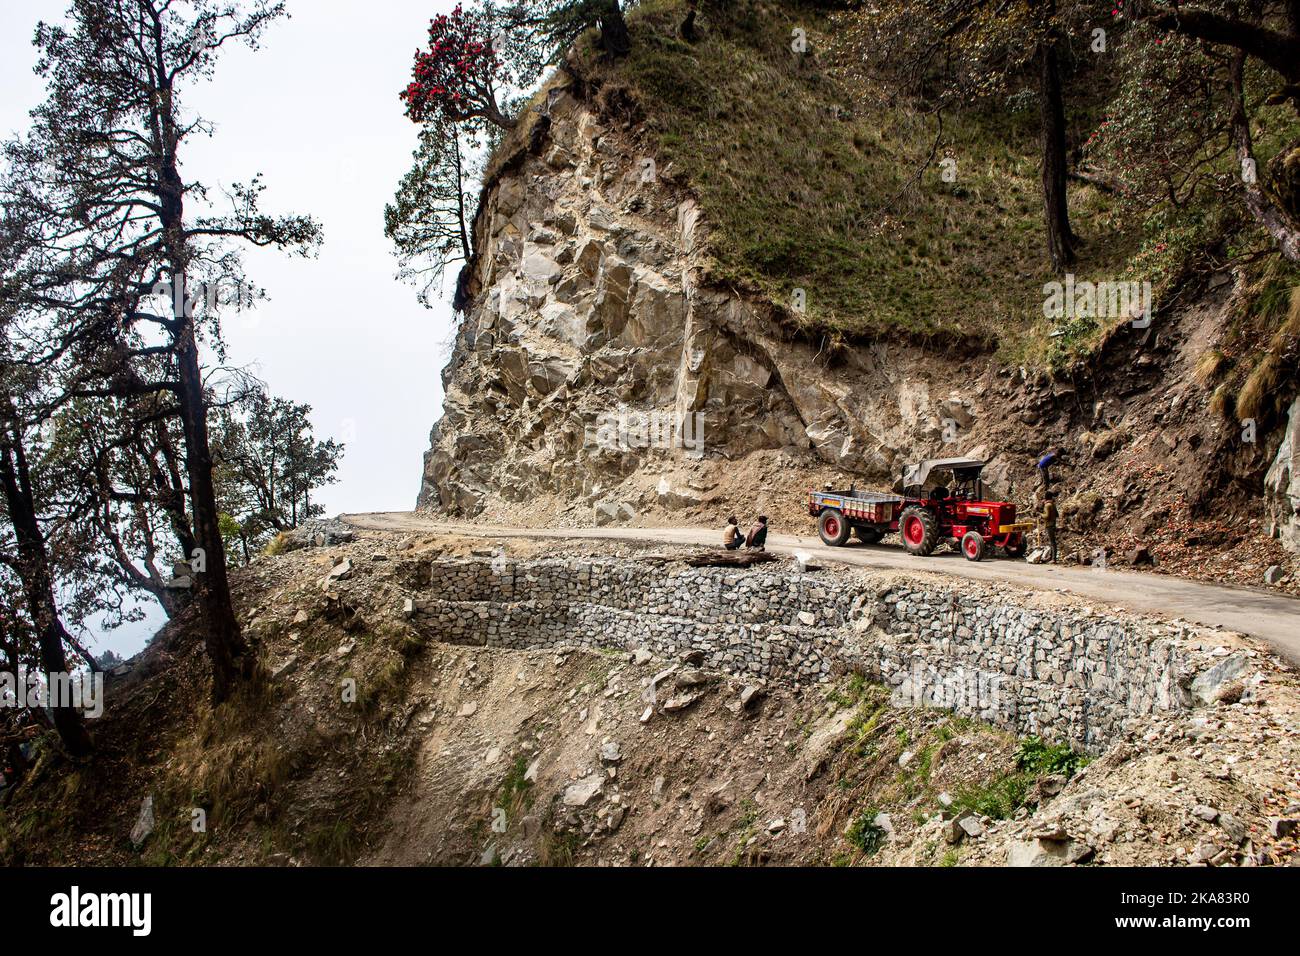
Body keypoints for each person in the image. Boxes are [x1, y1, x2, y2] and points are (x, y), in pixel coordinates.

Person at [1041, 491, 1059, 564]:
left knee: (1052, 542)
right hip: (1053, 524)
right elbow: (1057, 514)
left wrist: (1040, 514)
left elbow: (1046, 516)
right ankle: (1051, 557)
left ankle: (1053, 559)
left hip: (1049, 525)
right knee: (1052, 542)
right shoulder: (1053, 504)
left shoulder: (1047, 505)